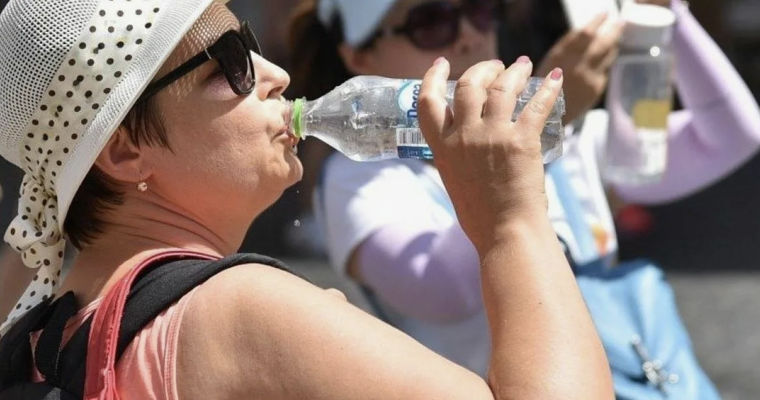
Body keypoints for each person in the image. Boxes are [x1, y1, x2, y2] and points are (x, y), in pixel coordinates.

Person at [0, 0, 614, 398]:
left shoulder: (40, 338)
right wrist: (511, 221)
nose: (277, 75)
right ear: (126, 152)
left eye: (251, 44)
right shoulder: (238, 311)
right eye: (229, 65)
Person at [290, 0, 760, 378]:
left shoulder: (572, 140)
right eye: (431, 22)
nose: (469, 35)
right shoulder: (359, 179)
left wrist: (666, 14)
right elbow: (445, 289)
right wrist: (534, 129)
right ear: (359, 57)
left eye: (478, 10)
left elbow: (731, 136)